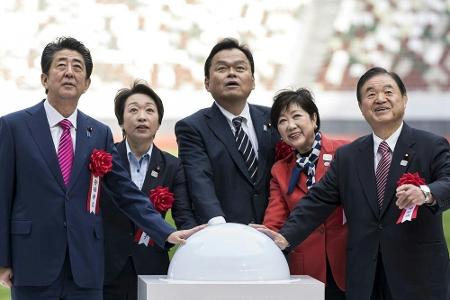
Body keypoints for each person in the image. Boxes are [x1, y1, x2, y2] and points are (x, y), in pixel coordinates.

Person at [0, 37, 202, 300]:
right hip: (32, 262)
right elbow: (3, 196)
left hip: (86, 267)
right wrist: (3, 258)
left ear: (86, 84)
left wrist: (166, 231)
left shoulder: (98, 133)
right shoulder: (13, 127)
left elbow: (125, 191)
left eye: (78, 67)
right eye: (61, 65)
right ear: (44, 78)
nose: (69, 72)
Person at [253, 67, 450, 300]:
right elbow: (317, 200)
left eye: (388, 91)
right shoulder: (348, 156)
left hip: (418, 275)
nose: (379, 99)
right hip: (364, 278)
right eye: (370, 94)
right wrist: (285, 236)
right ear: (361, 106)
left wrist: (426, 192)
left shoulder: (431, 145)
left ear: (404, 99)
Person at [102, 80, 198, 300]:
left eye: (149, 110)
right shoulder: (104, 160)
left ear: (158, 122)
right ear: (122, 121)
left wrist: (192, 238)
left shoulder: (173, 166)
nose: (142, 116)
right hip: (106, 268)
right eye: (133, 110)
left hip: (152, 268)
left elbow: (183, 214)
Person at [175, 38, 279, 225]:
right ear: (207, 83)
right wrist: (220, 228)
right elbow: (200, 180)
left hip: (274, 234)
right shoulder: (192, 127)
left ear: (253, 81)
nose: (232, 73)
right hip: (224, 235)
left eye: (240, 68)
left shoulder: (275, 119)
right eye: (222, 69)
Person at [263, 88, 348, 299]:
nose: (290, 125)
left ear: (314, 118)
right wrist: (265, 237)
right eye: (282, 121)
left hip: (349, 261)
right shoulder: (280, 170)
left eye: (296, 116)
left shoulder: (345, 153)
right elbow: (275, 219)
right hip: (307, 270)